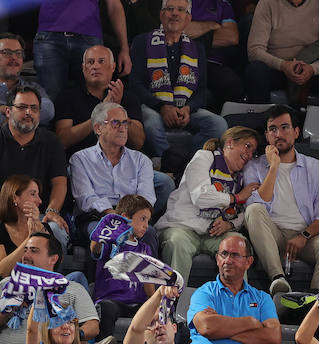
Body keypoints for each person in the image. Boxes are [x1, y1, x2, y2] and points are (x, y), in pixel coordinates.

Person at [241, 105, 319, 295]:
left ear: (295, 132)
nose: (279, 134)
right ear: (267, 136)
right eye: (273, 129)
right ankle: (278, 279)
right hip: (271, 234)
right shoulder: (254, 166)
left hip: (306, 235)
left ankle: (316, 303)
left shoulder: (317, 167)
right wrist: (273, 168)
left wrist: (304, 236)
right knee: (253, 210)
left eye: (285, 127)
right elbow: (257, 205)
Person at [0, 85, 71, 248]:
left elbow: (60, 183)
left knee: (57, 230)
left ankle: (51, 275)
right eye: (22, 107)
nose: (29, 112)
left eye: (34, 108)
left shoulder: (51, 141)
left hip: (37, 214)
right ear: (8, 112)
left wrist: (52, 211)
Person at [156, 126, 260, 280]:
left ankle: (236, 302)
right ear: (230, 143)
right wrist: (235, 198)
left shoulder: (241, 177)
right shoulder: (205, 157)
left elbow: (245, 212)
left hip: (213, 235)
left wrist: (229, 225)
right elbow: (201, 196)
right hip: (182, 227)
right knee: (176, 242)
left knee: (238, 244)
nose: (250, 154)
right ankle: (172, 302)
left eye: (253, 151)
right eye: (247, 146)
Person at [129, 0, 229, 158]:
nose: (175, 13)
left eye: (181, 10)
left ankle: (187, 164)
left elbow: (201, 90)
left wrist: (188, 109)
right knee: (151, 123)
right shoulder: (142, 42)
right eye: (170, 9)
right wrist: (162, 106)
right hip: (152, 106)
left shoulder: (197, 48)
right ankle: (165, 163)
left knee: (218, 124)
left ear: (188, 18)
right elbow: (135, 84)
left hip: (185, 109)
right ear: (161, 15)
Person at [67, 102, 164, 238]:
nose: (122, 128)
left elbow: (146, 198)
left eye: (125, 123)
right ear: (98, 128)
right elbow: (86, 198)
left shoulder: (141, 160)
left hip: (133, 216)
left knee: (148, 234)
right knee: (111, 234)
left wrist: (130, 218)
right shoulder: (80, 159)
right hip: (96, 217)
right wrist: (112, 215)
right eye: (116, 123)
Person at [243, 0, 319, 104]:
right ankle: (260, 118)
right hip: (277, 68)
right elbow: (254, 50)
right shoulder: (267, 3)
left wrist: (313, 69)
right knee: (256, 69)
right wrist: (283, 65)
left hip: (309, 67)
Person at [0, 34, 58, 139]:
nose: (14, 58)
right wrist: (25, 116)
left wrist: (1, 109)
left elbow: (48, 111)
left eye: (18, 53)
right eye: (6, 53)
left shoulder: (34, 88)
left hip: (31, 150)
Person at [53, 46, 145, 155]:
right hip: (83, 163)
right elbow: (62, 141)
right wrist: (101, 112)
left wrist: (117, 111)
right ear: (83, 68)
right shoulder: (67, 96)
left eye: (101, 61)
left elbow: (138, 143)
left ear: (113, 66)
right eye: (90, 62)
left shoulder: (127, 97)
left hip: (123, 163)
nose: (95, 66)